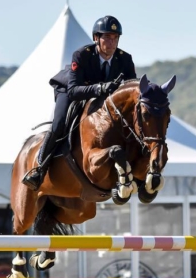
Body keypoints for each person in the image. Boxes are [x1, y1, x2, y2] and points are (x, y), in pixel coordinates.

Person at [21, 15, 138, 191]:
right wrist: (100, 88)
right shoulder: (82, 55)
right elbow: (74, 91)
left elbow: (131, 91)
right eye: (106, 37)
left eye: (115, 38)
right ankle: (39, 169)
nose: (111, 43)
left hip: (102, 97)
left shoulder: (125, 59)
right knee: (59, 123)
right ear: (96, 38)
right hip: (70, 90)